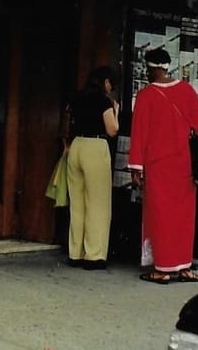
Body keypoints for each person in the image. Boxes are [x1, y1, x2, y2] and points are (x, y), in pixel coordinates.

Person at [128, 48, 198, 284]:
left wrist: (136, 167)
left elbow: (139, 134)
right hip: (184, 164)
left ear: (151, 68)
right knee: (184, 216)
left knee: (160, 216)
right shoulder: (187, 91)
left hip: (158, 165)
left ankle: (162, 269)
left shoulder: (146, 95)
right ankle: (184, 266)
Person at [63, 66, 120, 269]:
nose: (111, 87)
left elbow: (67, 122)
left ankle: (75, 253)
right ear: (105, 82)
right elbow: (112, 130)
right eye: (110, 83)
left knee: (77, 204)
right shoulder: (104, 101)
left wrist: (67, 145)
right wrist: (116, 112)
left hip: (76, 146)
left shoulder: (77, 98)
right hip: (96, 147)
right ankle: (93, 255)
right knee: (98, 204)